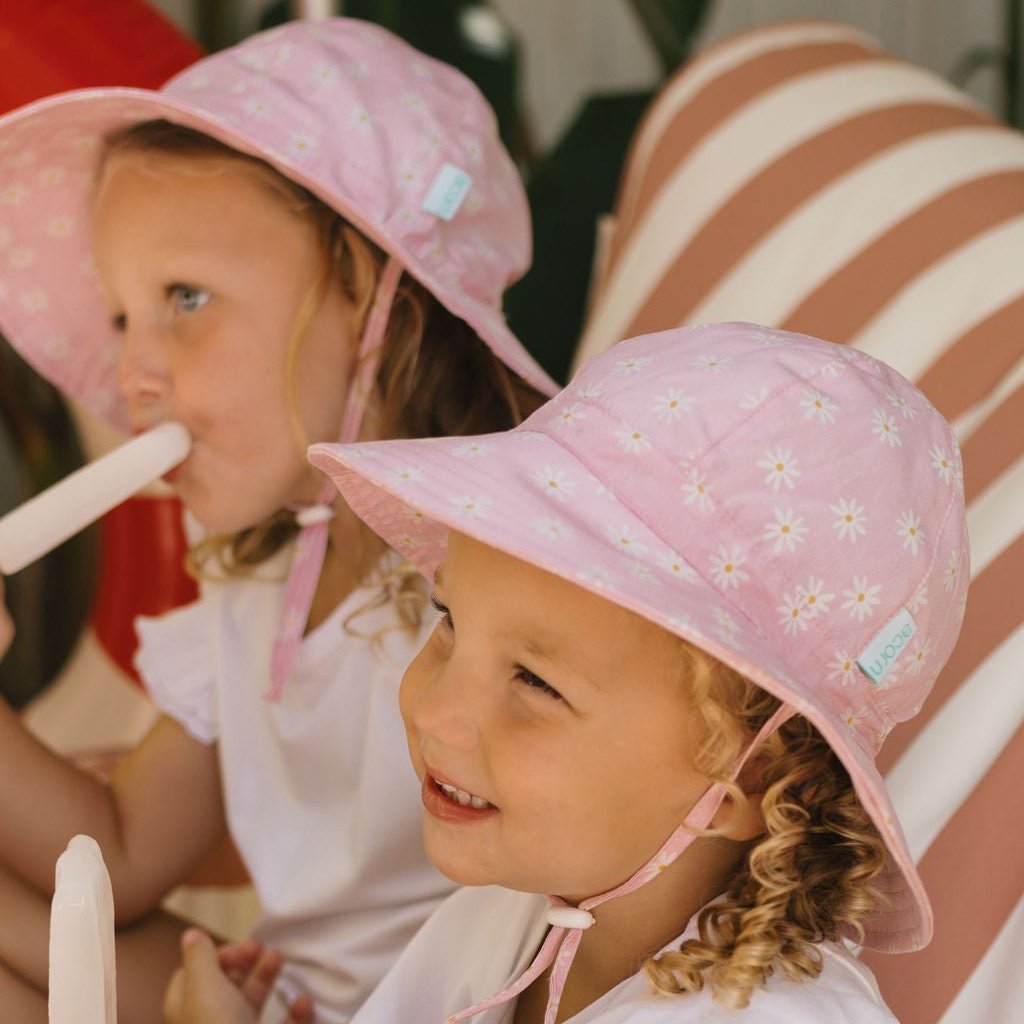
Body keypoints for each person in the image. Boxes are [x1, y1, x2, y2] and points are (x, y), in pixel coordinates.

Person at [0, 17, 556, 1024]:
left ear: (366, 289)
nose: (133, 371)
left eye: (185, 299)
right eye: (124, 317)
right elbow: (118, 853)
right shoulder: (257, 589)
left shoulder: (494, 592)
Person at [182, 320, 968, 1022]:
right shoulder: (511, 923)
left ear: (745, 776)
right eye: (449, 621)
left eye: (535, 681)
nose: (434, 711)